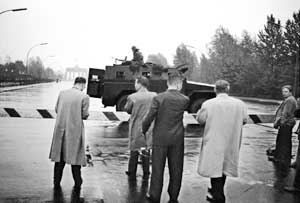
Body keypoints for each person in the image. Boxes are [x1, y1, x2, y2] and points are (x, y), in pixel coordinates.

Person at [196, 80, 247, 203]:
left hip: (214, 139)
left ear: (215, 89)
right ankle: (217, 191)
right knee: (224, 167)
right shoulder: (239, 104)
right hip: (231, 140)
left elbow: (201, 120)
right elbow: (244, 120)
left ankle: (218, 197)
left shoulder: (208, 104)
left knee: (215, 167)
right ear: (228, 89)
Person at [142, 73, 189, 203]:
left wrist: (143, 130)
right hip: (177, 139)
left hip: (160, 138)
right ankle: (173, 196)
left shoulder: (159, 98)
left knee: (157, 168)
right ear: (179, 84)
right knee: (176, 168)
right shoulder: (185, 99)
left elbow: (149, 118)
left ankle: (155, 195)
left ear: (168, 83)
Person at [49, 77, 90, 190]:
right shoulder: (84, 97)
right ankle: (77, 184)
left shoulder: (62, 94)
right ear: (82, 84)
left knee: (59, 159)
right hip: (74, 130)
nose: (84, 88)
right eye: (84, 86)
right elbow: (84, 115)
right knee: (75, 158)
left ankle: (56, 182)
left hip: (60, 129)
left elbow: (57, 109)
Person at [124, 76, 157, 180]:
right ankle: (146, 172)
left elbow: (127, 109)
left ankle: (131, 171)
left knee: (134, 149)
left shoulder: (132, 97)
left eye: (135, 83)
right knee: (146, 148)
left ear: (139, 84)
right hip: (150, 126)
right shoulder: (154, 96)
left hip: (136, 126)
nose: (134, 85)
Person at [271, 85, 297, 166]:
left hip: (286, 123)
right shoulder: (291, 99)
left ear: (290, 92)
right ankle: (284, 157)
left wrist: (279, 123)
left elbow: (286, 113)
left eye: (286, 92)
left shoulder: (289, 100)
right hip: (288, 123)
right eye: (283, 91)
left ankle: (280, 158)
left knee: (282, 141)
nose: (284, 93)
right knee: (285, 141)